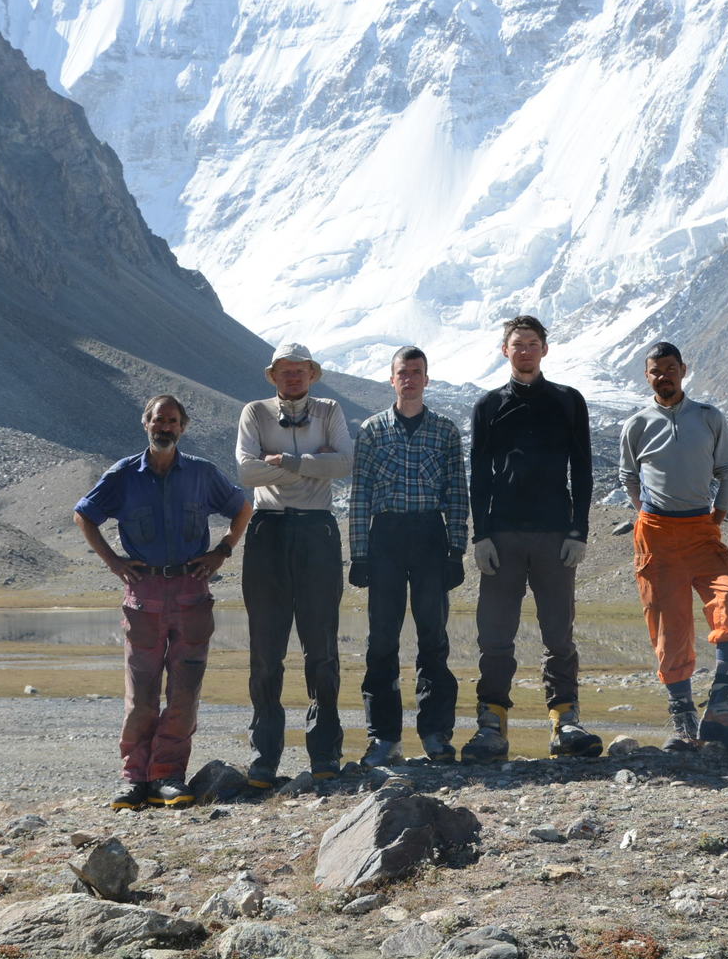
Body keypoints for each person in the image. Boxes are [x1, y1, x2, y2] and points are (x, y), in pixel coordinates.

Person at [75, 394, 252, 811]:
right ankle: (134, 780)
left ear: (183, 427)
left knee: (185, 694)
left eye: (172, 421)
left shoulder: (202, 474)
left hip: (192, 593)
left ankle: (167, 777)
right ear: (146, 424)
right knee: (142, 694)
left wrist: (223, 550)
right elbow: (84, 514)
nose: (165, 427)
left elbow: (242, 508)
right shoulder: (122, 476)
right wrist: (113, 561)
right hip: (145, 596)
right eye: (158, 420)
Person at [463, 314, 601, 762]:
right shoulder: (488, 406)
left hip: (554, 533)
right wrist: (480, 535)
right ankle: (491, 725)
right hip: (501, 534)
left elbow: (581, 470)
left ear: (545, 349)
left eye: (532, 343)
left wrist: (578, 530)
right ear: (505, 350)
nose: (525, 350)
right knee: (495, 634)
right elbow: (478, 475)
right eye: (517, 343)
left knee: (558, 632)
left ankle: (566, 721)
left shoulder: (568, 401)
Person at [618, 341, 728, 752]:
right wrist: (646, 514)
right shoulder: (637, 425)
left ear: (683, 370)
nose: (664, 375)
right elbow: (629, 478)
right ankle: (685, 723)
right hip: (656, 536)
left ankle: (723, 707)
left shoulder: (708, 418)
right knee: (669, 627)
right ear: (647, 376)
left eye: (670, 368)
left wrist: (717, 515)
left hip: (701, 530)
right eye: (656, 370)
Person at [235, 343, 354, 788]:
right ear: (273, 376)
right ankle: (264, 754)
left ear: (312, 374)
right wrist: (312, 466)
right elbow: (247, 473)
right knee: (266, 650)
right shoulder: (255, 412)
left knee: (320, 647)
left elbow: (345, 462)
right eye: (284, 371)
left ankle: (325, 751)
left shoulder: (330, 410)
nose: (292, 377)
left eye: (299, 371)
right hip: (268, 531)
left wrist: (285, 462)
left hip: (317, 531)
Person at [349, 346, 469, 766]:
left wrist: (456, 549)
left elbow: (457, 492)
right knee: (381, 640)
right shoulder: (371, 430)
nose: (410, 378)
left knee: (433, 639)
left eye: (417, 372)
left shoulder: (445, 431)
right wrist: (359, 555)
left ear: (427, 379)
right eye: (403, 372)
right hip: (385, 536)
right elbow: (359, 494)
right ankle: (384, 738)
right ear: (392, 378)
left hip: (429, 536)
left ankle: (436, 734)